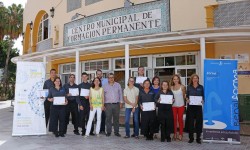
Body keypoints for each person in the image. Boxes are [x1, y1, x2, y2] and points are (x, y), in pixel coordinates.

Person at [186, 74, 204, 144]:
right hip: (191, 107)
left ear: (198, 79)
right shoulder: (189, 87)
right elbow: (187, 96)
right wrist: (187, 99)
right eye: (194, 78)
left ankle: (198, 138)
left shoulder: (201, 87)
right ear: (192, 79)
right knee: (190, 123)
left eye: (196, 78)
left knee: (199, 123)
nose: (195, 79)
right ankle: (191, 138)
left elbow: (203, 96)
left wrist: (203, 100)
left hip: (198, 107)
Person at [103, 73, 123, 137]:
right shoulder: (105, 86)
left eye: (112, 77)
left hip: (116, 104)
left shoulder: (118, 85)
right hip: (108, 105)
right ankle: (108, 132)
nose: (111, 79)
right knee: (108, 119)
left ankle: (116, 132)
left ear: (114, 78)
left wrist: (121, 102)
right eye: (110, 77)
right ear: (108, 79)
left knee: (116, 119)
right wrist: (103, 104)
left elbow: (120, 94)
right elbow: (103, 96)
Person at [132, 66, 150, 137]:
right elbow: (132, 87)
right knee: (135, 117)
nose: (141, 71)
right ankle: (135, 132)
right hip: (136, 100)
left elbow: (150, 87)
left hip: (144, 100)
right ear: (138, 71)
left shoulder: (147, 79)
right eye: (140, 70)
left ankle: (145, 132)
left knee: (145, 117)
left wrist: (144, 85)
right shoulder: (134, 79)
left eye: (143, 70)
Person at [171, 74, 186, 141]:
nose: (176, 80)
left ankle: (180, 134)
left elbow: (184, 96)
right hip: (173, 106)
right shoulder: (171, 87)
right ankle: (175, 133)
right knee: (174, 120)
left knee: (180, 120)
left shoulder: (182, 87)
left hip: (180, 106)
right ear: (172, 80)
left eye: (177, 79)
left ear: (179, 79)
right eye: (174, 79)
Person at [96, 69, 108, 134]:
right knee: (97, 116)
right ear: (96, 74)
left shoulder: (106, 81)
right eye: (98, 74)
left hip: (104, 101)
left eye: (100, 74)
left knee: (103, 116)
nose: (99, 75)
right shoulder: (94, 81)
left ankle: (102, 130)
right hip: (96, 101)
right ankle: (98, 130)